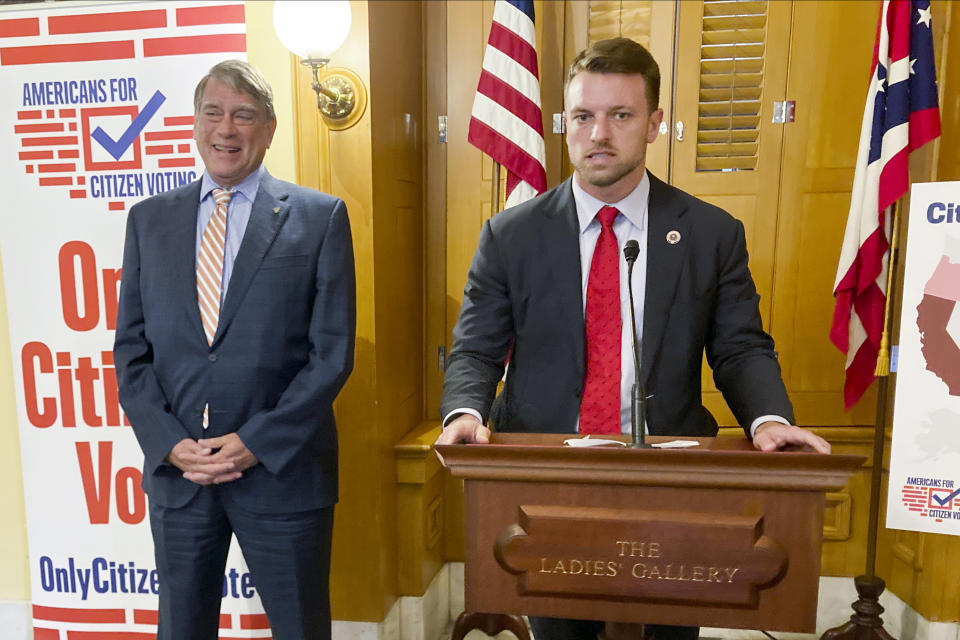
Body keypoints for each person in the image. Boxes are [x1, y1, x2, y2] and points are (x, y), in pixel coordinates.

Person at [437, 38, 830, 640]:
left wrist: (769, 420)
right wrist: (464, 410)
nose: (599, 133)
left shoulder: (710, 233)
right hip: (549, 479)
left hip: (672, 483)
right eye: (584, 116)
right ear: (566, 123)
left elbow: (740, 347)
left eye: (620, 115)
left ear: (654, 124)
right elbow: (478, 348)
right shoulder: (510, 235)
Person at [114, 60, 355, 640]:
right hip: (181, 477)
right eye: (213, 113)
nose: (227, 129)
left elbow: (332, 354)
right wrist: (170, 444)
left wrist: (255, 443)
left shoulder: (319, 218)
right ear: (195, 124)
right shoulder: (149, 220)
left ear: (268, 129)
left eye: (244, 115)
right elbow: (131, 350)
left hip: (282, 472)